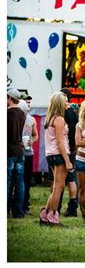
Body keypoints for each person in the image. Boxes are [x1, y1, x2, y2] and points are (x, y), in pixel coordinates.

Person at [39, 92, 74, 225]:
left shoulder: (50, 118)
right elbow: (60, 142)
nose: (68, 103)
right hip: (60, 155)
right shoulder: (59, 119)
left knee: (55, 187)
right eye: (65, 101)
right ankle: (53, 218)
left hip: (51, 155)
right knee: (59, 188)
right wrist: (67, 160)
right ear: (60, 103)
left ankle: (45, 215)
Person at [59, 88, 79, 217]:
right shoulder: (74, 112)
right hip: (72, 148)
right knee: (72, 178)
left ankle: (56, 205)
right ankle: (73, 207)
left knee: (58, 179)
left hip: (62, 149)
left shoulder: (62, 112)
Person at [7, 88, 26, 219]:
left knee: (7, 182)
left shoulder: (8, 114)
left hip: (9, 151)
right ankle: (18, 212)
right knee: (19, 182)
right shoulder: (22, 113)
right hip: (20, 150)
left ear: (9, 98)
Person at [22, 95, 38, 215]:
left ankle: (25, 206)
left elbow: (35, 135)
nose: (28, 105)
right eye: (26, 102)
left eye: (29, 103)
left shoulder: (31, 119)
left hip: (28, 153)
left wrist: (32, 141)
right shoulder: (13, 115)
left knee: (27, 180)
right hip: (16, 152)